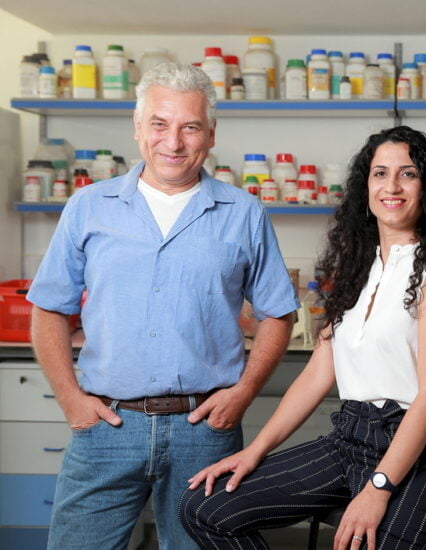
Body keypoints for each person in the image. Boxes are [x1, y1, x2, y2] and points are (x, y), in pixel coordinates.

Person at [180, 125, 426, 550]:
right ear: (366, 187)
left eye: (408, 174)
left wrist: (378, 488)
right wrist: (255, 451)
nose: (392, 186)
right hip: (351, 438)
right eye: (380, 174)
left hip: (425, 452)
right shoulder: (355, 271)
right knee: (204, 507)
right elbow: (316, 375)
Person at [27, 62, 298, 550]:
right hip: (106, 426)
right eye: (159, 124)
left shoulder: (244, 212)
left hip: (205, 430)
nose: (173, 142)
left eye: (190, 127)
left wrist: (243, 393)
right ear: (138, 127)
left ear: (210, 135)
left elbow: (278, 314)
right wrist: (69, 398)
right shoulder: (89, 206)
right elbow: (48, 309)